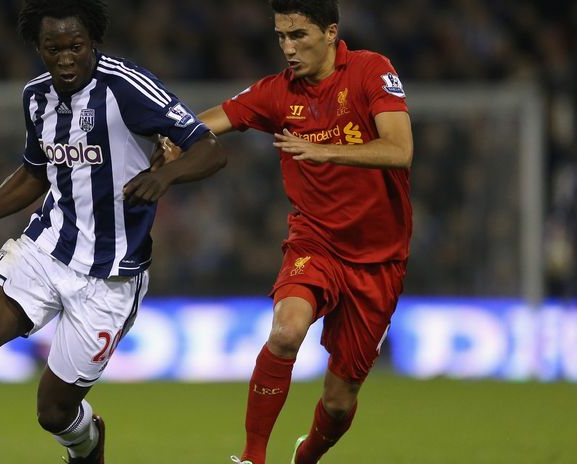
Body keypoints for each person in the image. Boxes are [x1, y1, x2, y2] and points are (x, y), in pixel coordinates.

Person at [0, 1, 225, 462]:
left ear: (92, 42)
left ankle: (88, 440)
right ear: (37, 48)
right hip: (46, 248)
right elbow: (34, 174)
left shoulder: (126, 87)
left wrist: (165, 177)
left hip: (111, 276)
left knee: (55, 413)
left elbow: (209, 148)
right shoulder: (35, 97)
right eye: (52, 48)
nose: (64, 59)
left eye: (75, 47)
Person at [162, 1, 412, 462]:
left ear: (331, 32)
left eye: (298, 35)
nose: (288, 48)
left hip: (378, 259)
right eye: (281, 36)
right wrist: (178, 139)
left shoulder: (371, 71)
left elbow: (400, 149)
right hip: (314, 242)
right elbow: (220, 116)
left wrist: (328, 151)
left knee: (338, 402)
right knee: (285, 332)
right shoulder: (278, 92)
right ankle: (252, 456)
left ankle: (306, 455)